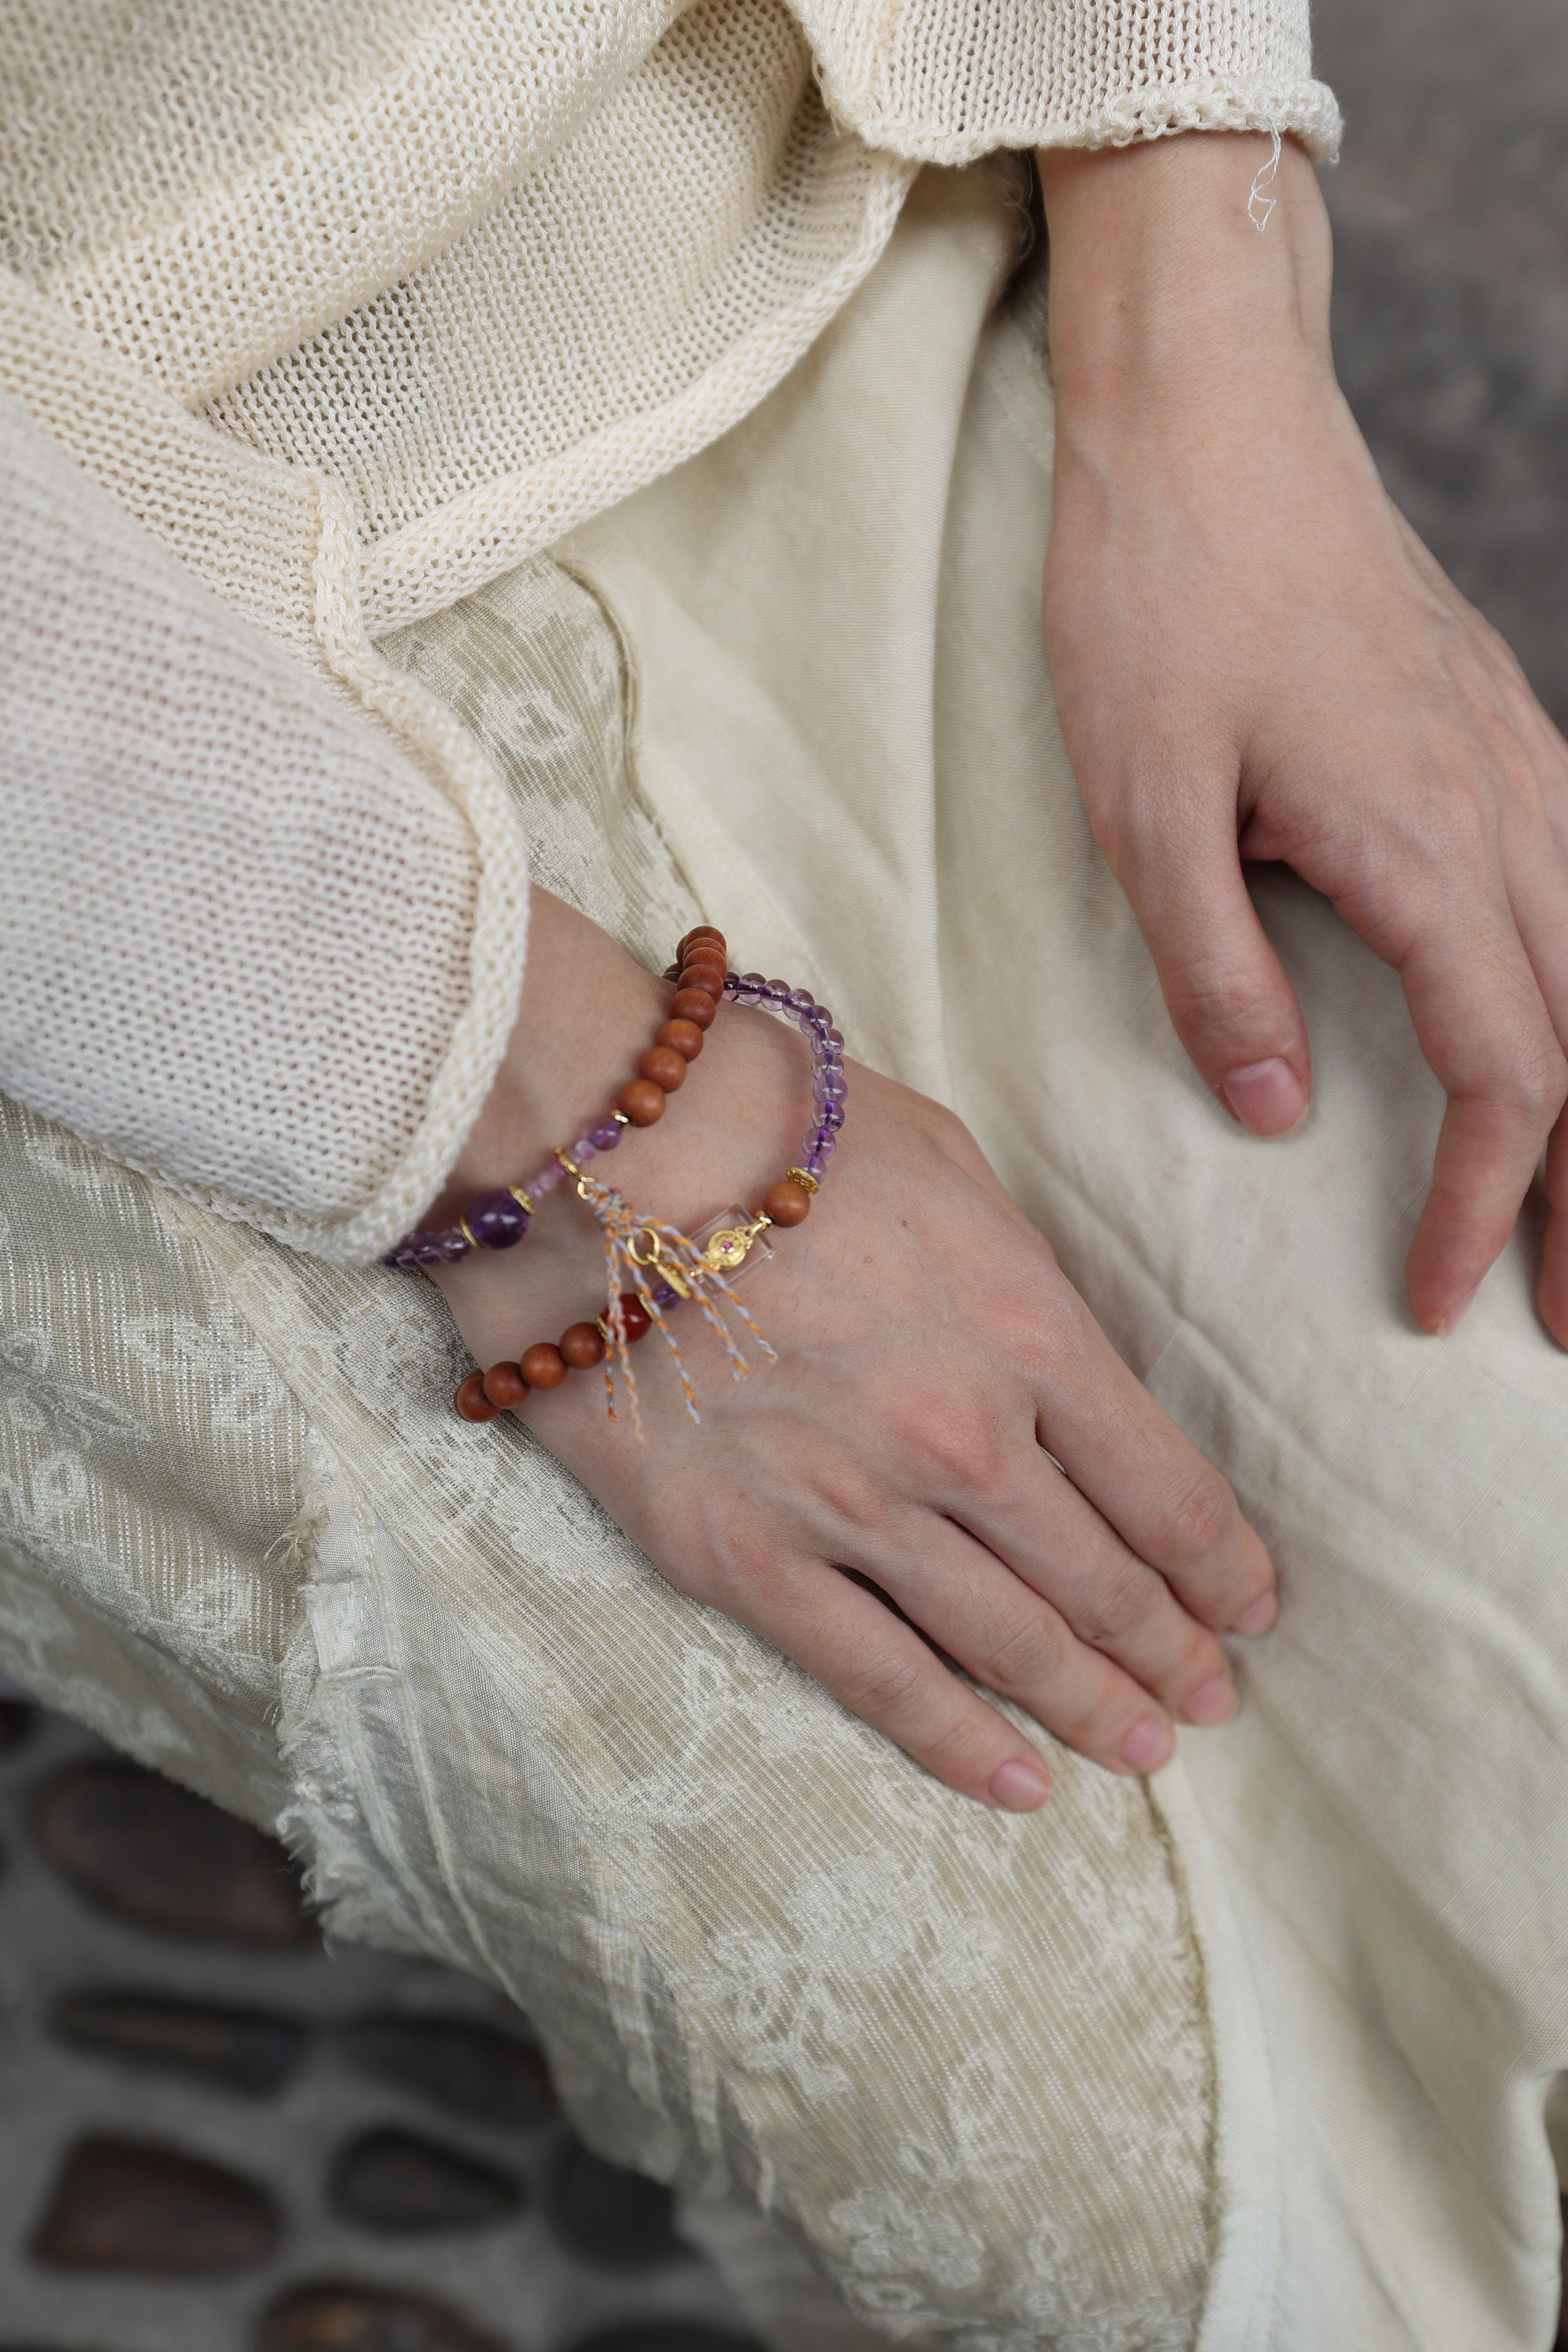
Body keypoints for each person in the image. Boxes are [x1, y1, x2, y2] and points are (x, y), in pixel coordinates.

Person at [1, 5, 1564, 2346]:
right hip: (97, 699)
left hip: (759, 154)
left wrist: (1206, 285)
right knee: (1090, 2184)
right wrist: (545, 1112)